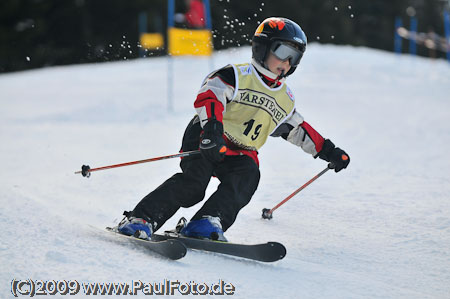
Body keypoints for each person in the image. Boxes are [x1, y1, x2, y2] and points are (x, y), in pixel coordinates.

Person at [114, 17, 350, 241]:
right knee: (193, 186)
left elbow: (298, 130)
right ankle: (141, 218)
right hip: (208, 136)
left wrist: (329, 151)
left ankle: (206, 222)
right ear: (262, 47)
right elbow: (209, 97)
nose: (287, 62)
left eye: (295, 57)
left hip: (241, 151)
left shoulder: (284, 98)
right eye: (283, 52)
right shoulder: (236, 76)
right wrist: (212, 132)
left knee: (246, 178)